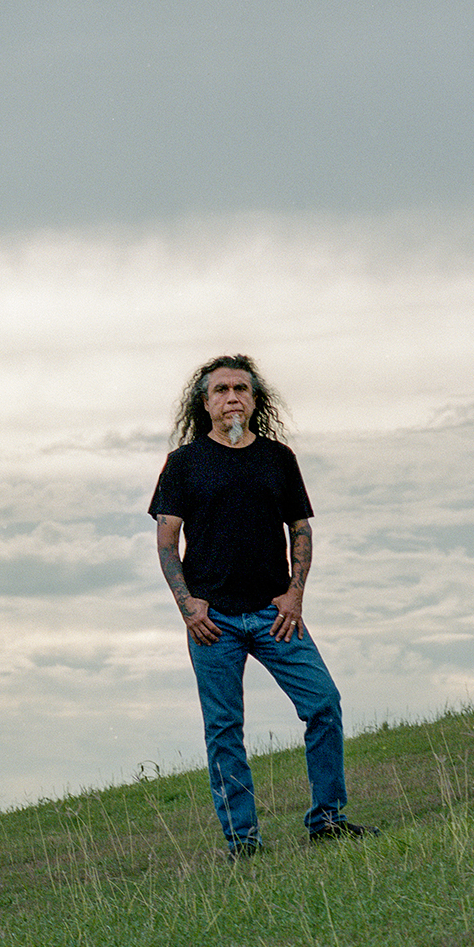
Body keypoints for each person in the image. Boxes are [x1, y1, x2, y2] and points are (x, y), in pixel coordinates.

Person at [149, 355, 371, 854]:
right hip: (213, 621)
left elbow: (301, 529)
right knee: (224, 728)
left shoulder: (278, 458)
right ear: (205, 403)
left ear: (254, 399)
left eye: (241, 389)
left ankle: (328, 821)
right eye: (221, 390)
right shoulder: (184, 463)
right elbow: (166, 542)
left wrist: (295, 595)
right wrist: (188, 607)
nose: (232, 397)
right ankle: (243, 840)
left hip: (276, 615)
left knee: (324, 704)